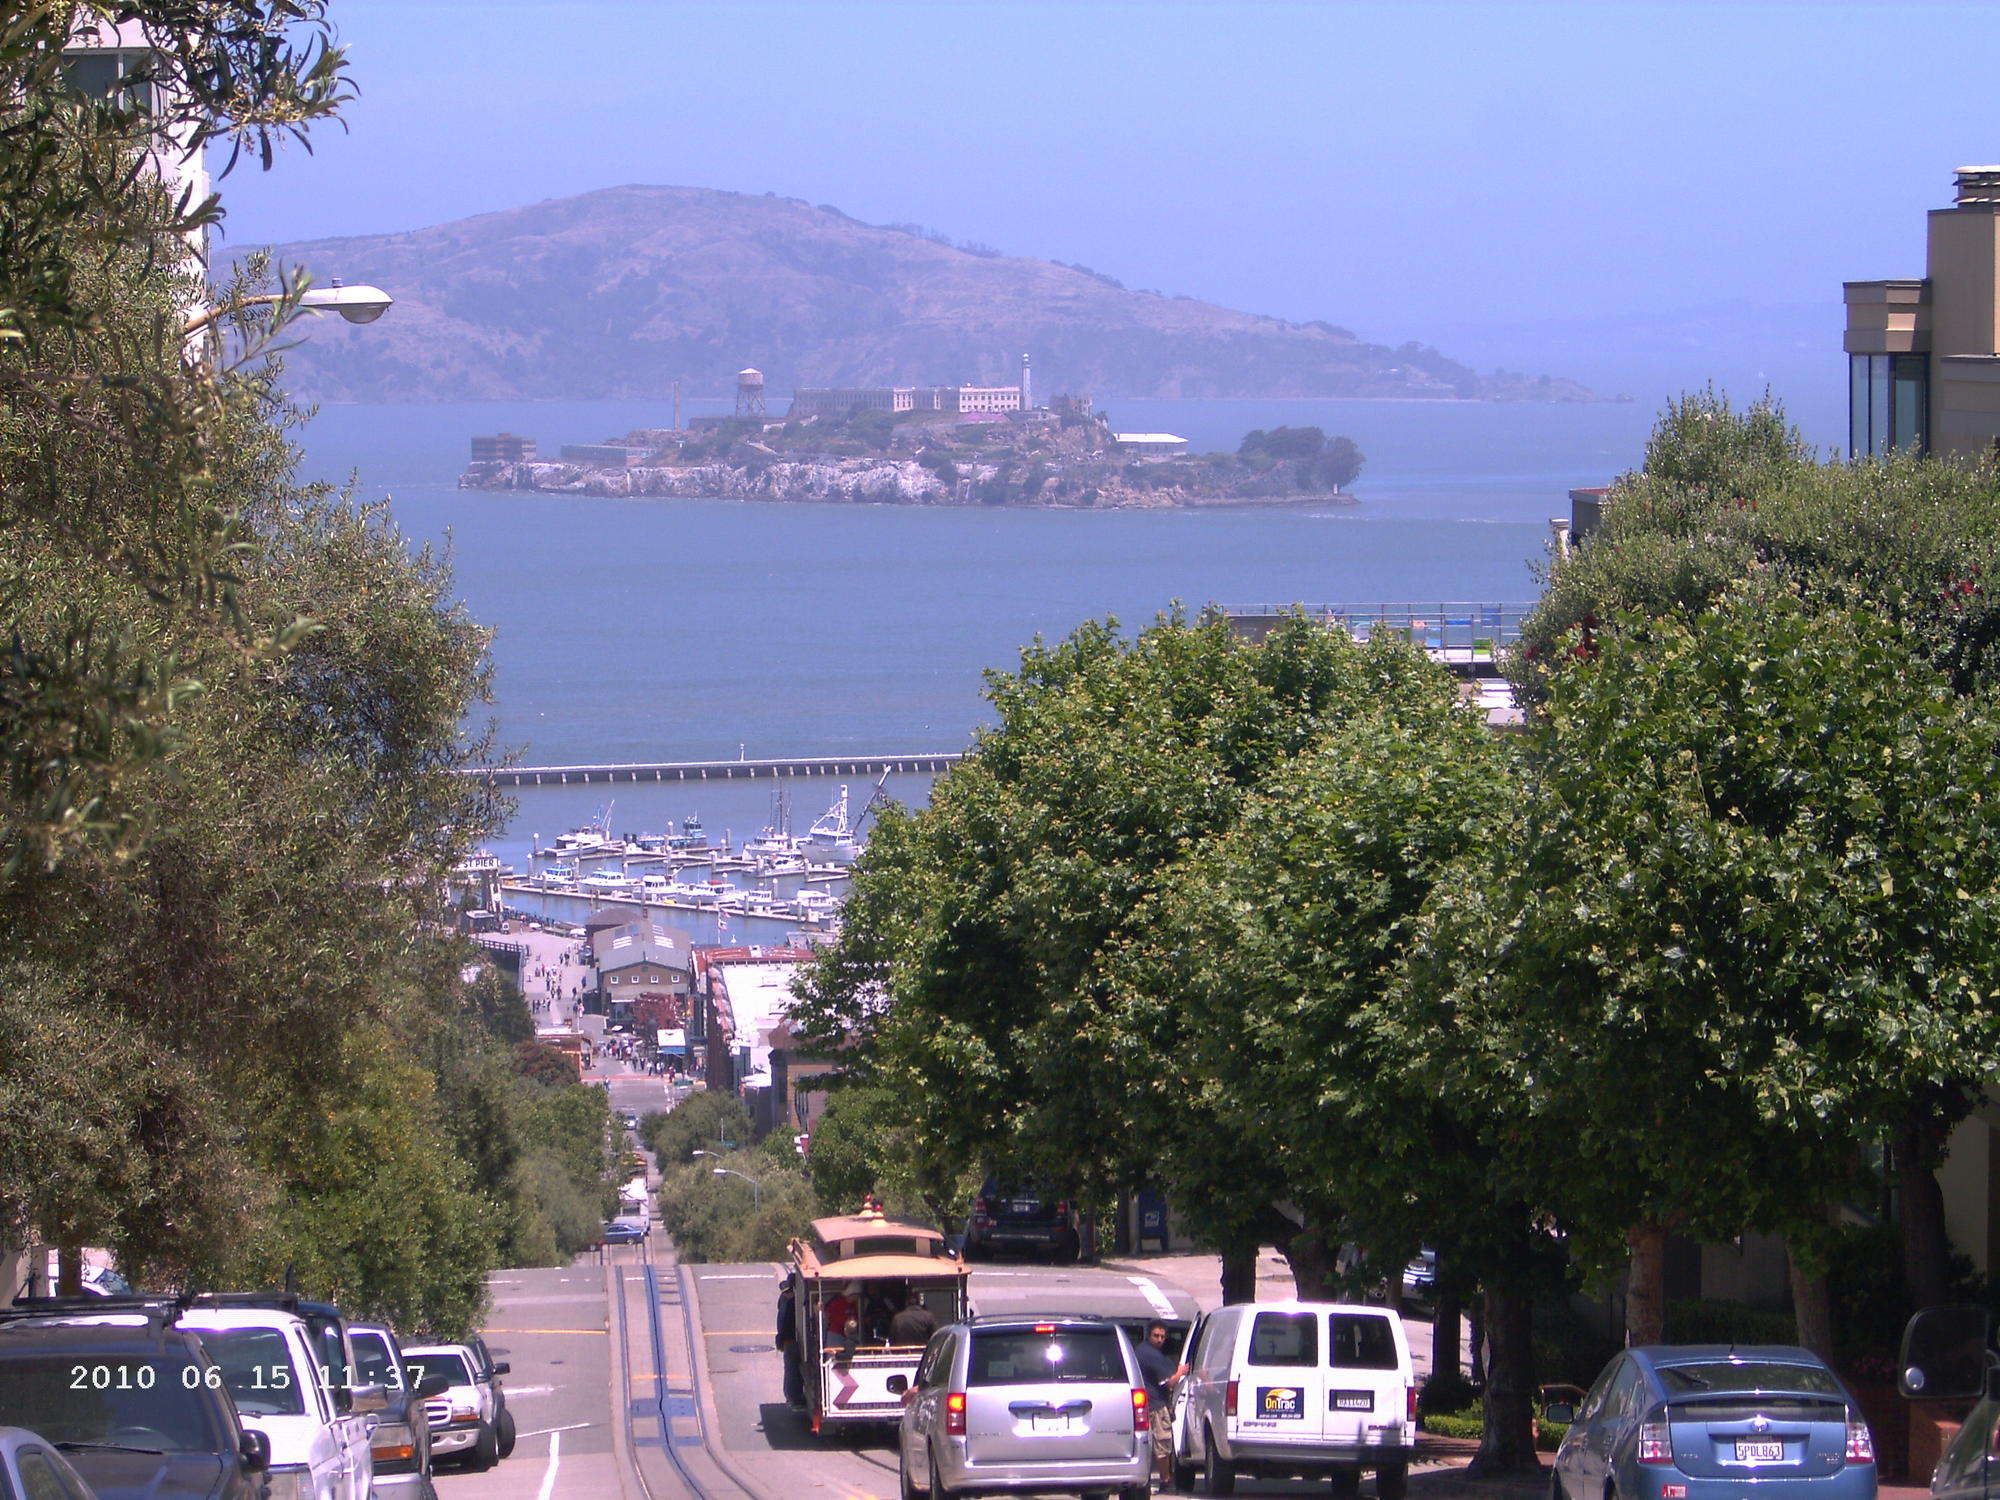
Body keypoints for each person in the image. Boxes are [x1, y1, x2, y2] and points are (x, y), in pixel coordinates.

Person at [1133, 1321, 1184, 1490]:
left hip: (1144, 1405)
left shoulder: (1140, 1351)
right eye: (1156, 1336)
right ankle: (1166, 1481)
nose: (1160, 1339)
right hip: (1155, 1406)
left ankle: (1146, 1480)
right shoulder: (1151, 1355)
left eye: (1162, 1336)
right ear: (1149, 1335)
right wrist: (1181, 1372)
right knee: (1162, 1446)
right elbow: (1170, 1383)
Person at [775, 1274, 805, 1410]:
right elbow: (786, 1321)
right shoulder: (791, 1301)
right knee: (792, 1370)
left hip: (788, 1339)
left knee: (791, 1369)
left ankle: (793, 1396)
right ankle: (794, 1397)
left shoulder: (785, 1299)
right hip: (791, 1339)